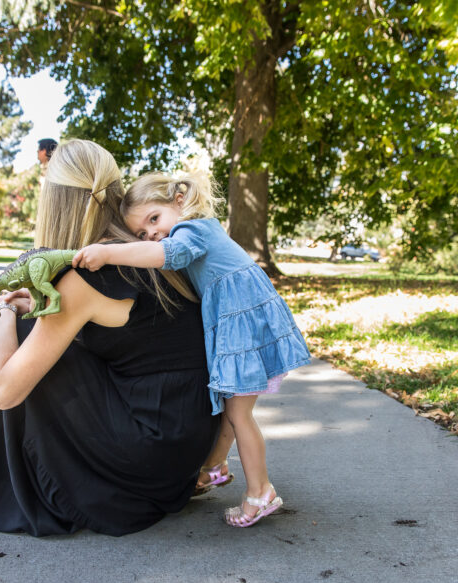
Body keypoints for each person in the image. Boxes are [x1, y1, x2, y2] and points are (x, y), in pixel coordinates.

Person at [0, 140, 221, 537]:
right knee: (46, 328)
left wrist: (4, 309)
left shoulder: (86, 276)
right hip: (185, 445)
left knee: (25, 333)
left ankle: (15, 489)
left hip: (152, 455)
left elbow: (5, 391)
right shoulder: (145, 249)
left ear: (54, 204)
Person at [72, 171, 312, 528]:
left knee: (240, 414)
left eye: (154, 219)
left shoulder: (192, 230)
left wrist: (109, 253)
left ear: (178, 200)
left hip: (243, 324)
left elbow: (166, 254)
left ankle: (260, 492)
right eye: (142, 232)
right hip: (241, 322)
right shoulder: (198, 229)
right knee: (234, 404)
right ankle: (214, 467)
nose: (152, 233)